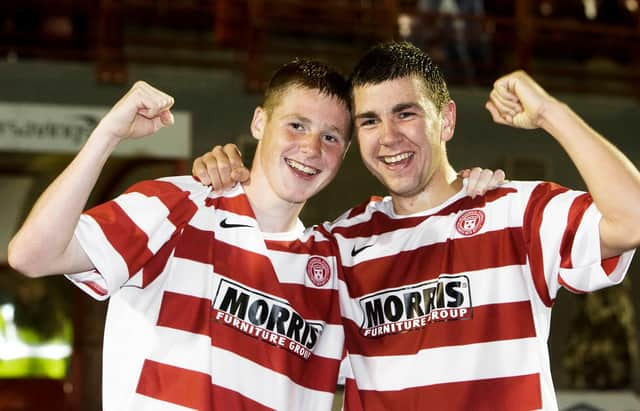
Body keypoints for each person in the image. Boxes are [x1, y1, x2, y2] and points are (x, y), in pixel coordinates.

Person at [7, 58, 501, 410]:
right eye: (296, 125)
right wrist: (107, 134)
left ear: (344, 153)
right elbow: (30, 255)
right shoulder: (179, 205)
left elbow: (423, 346)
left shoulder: (334, 266)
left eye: (331, 137)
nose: (311, 147)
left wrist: (458, 194)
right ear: (260, 121)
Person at [192, 41, 640, 410]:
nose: (388, 137)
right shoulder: (339, 246)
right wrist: (231, 173)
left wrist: (549, 114)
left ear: (445, 119)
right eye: (369, 121)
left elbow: (632, 218)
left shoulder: (515, 213)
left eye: (405, 113)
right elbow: (256, 295)